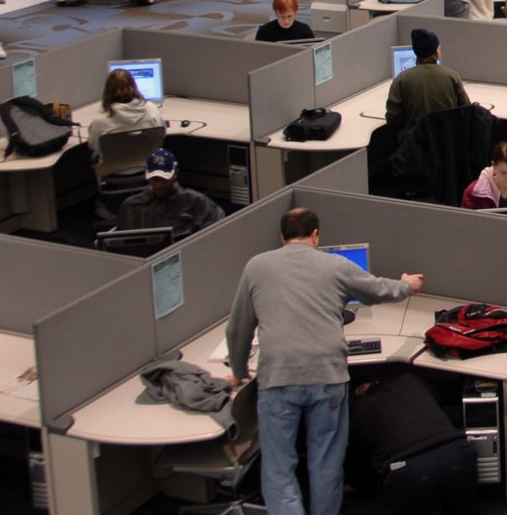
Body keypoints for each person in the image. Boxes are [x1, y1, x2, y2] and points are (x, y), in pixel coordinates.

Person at [226, 207, 423, 515]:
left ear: (282, 237)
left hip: (279, 377)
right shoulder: (335, 265)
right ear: (316, 235)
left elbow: (237, 327)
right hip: (328, 376)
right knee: (326, 462)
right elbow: (376, 290)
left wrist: (239, 372)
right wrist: (406, 284)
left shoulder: (256, 266)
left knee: (279, 469)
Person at [344, 369, 478, 515]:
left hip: (410, 470)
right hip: (460, 454)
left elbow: (358, 472)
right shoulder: (410, 380)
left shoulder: (358, 412)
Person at [116, 149, 224, 236]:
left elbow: (218, 230)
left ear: (175, 174)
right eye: (154, 179)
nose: (159, 185)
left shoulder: (195, 201)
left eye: (163, 179)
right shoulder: (131, 206)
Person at [385, 29, 470, 136]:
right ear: (436, 52)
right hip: (447, 143)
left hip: (413, 145)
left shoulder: (401, 80)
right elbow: (466, 110)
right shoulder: (452, 76)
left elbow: (392, 119)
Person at [86, 66, 165, 158]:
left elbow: (94, 146)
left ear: (107, 91)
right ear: (134, 86)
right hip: (146, 165)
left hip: (113, 169)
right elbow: (161, 135)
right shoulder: (151, 109)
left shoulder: (100, 121)